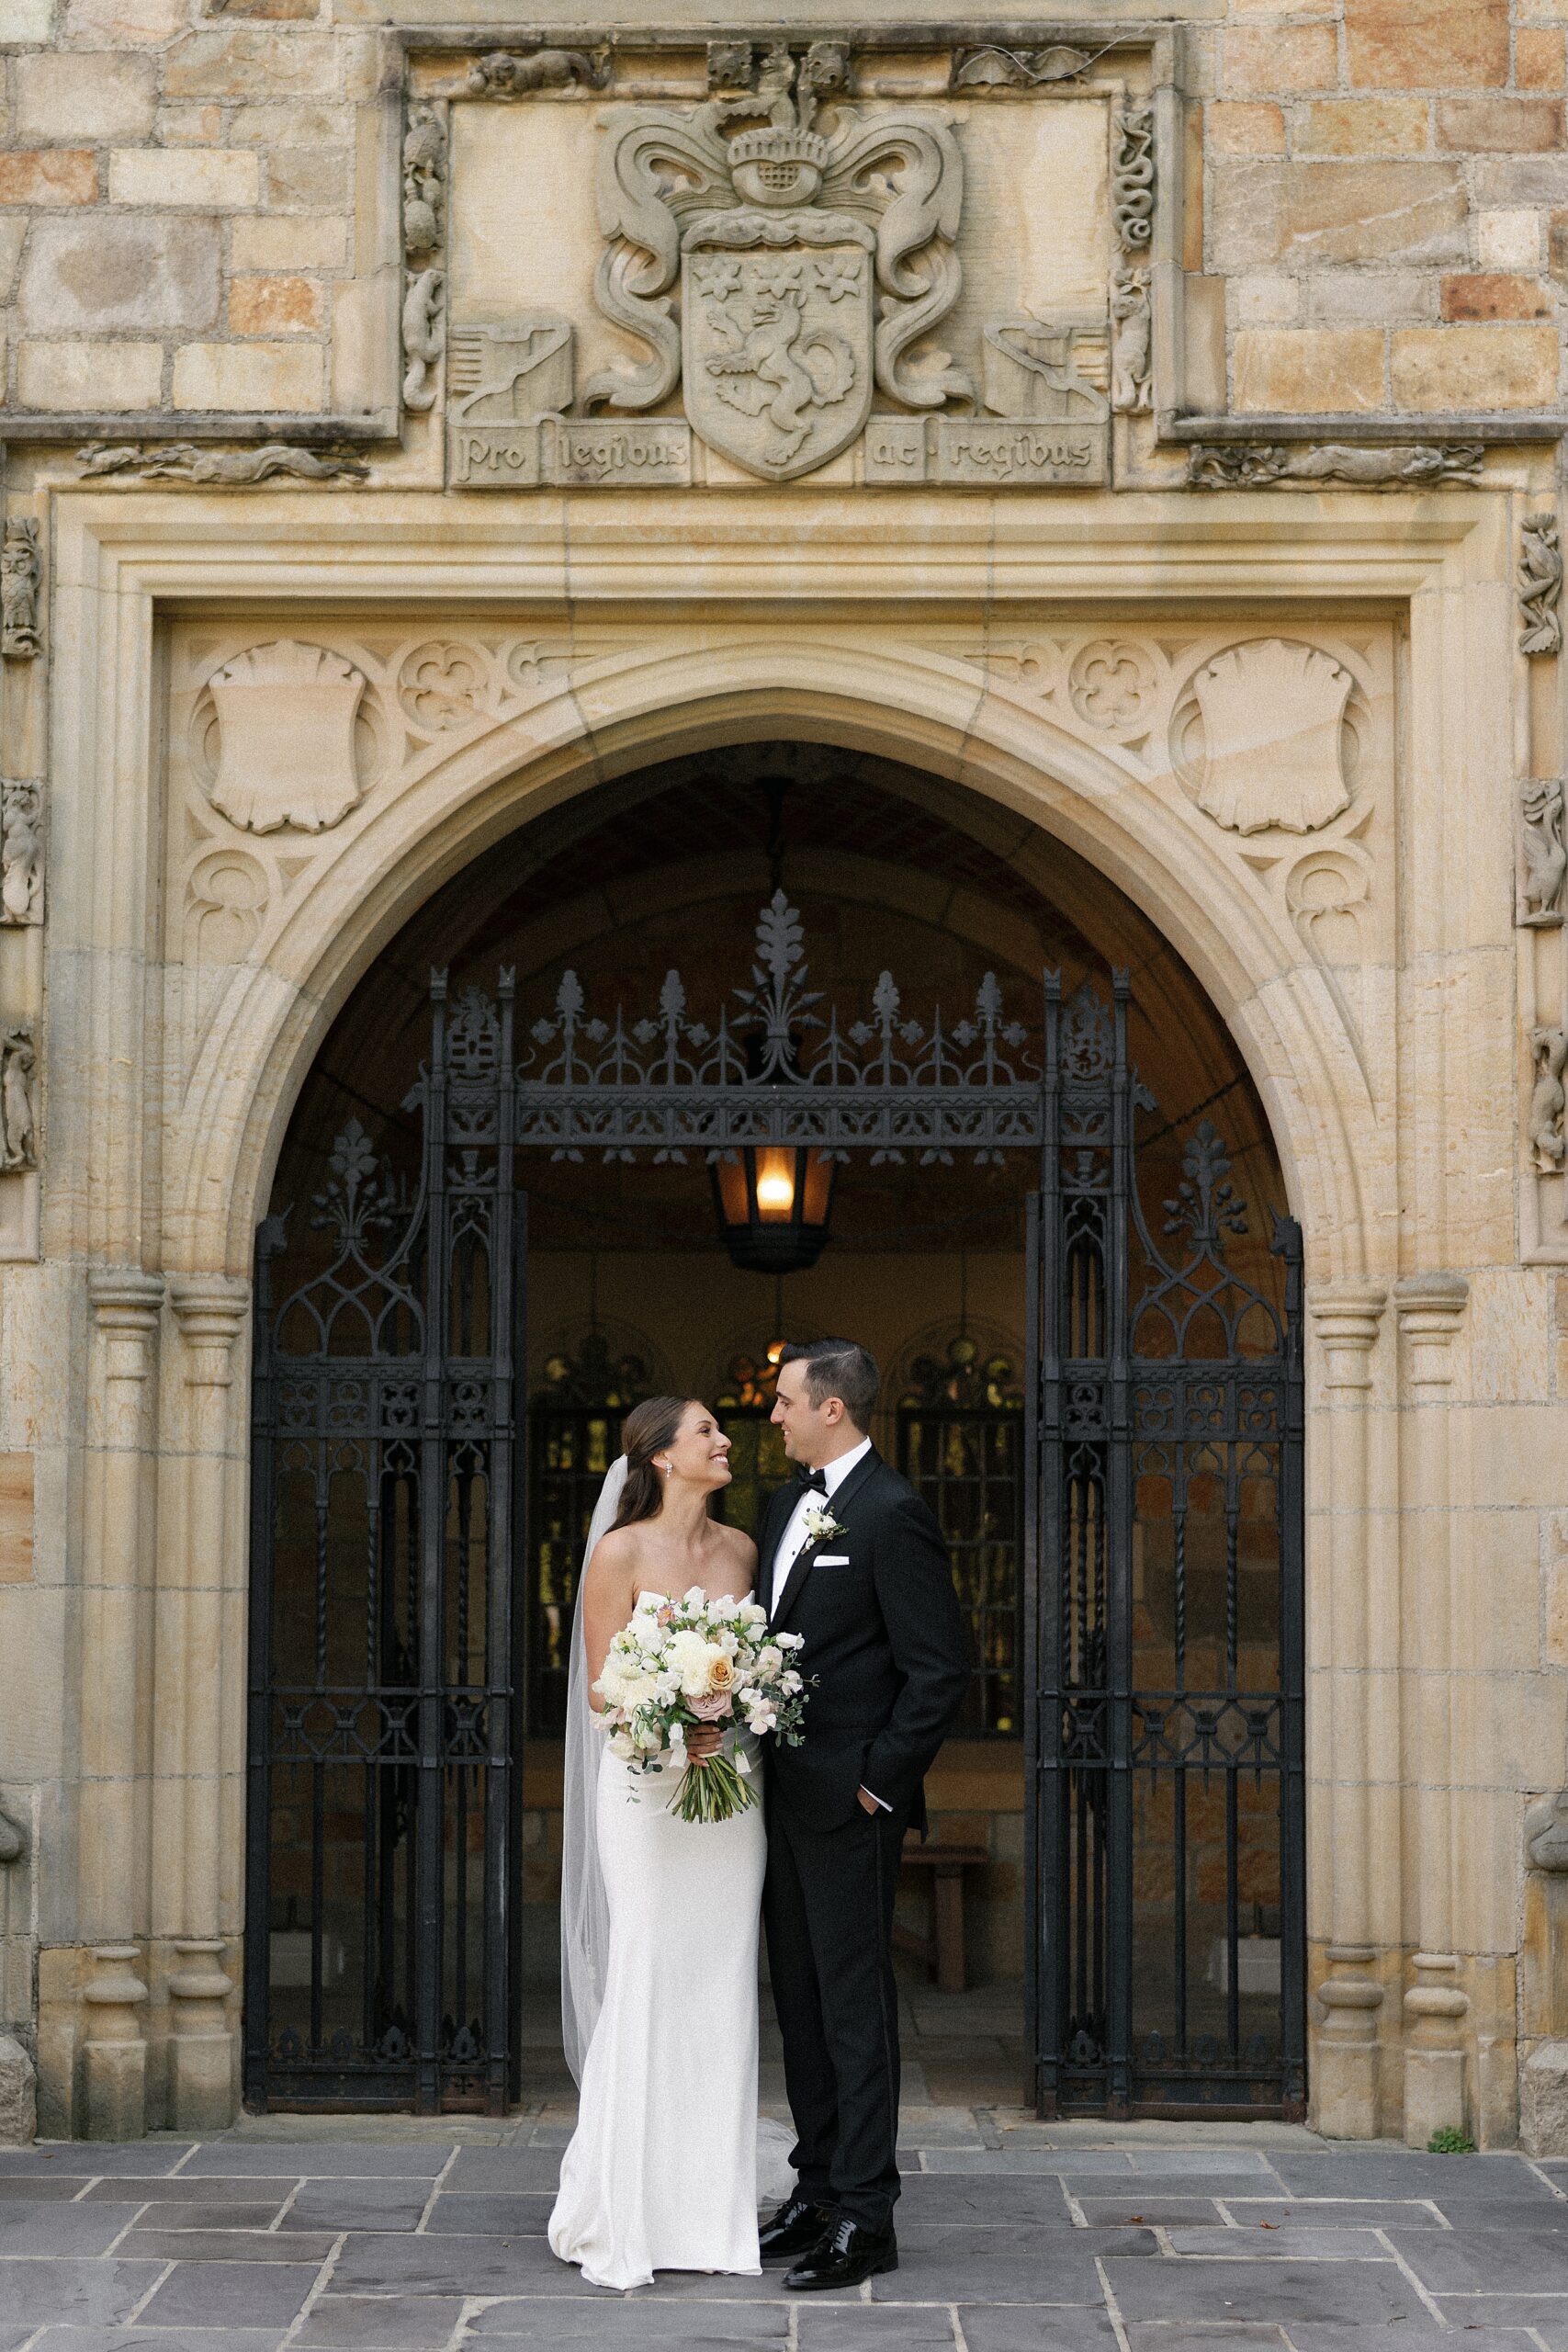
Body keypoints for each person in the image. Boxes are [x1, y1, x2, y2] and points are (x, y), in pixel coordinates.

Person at [757, 1337, 971, 2290]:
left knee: (854, 2012)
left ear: (832, 1408)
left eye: (785, 1400)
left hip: (852, 1807)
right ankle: (815, 2187)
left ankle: (868, 2213)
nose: (774, 1414)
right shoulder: (781, 1507)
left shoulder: (892, 1513)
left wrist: (877, 1782)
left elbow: (938, 1668)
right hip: (781, 1801)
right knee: (799, 2004)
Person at [547, 1395, 767, 2292]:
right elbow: (604, 1691)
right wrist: (678, 1718)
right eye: (708, 1431)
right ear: (664, 1455)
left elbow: (758, 1668)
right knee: (645, 1967)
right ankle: (627, 2205)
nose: (724, 1441)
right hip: (644, 1793)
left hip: (732, 1799)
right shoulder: (621, 1551)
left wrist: (734, 1706)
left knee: (719, 1981)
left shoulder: (742, 1550)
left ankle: (708, 2211)